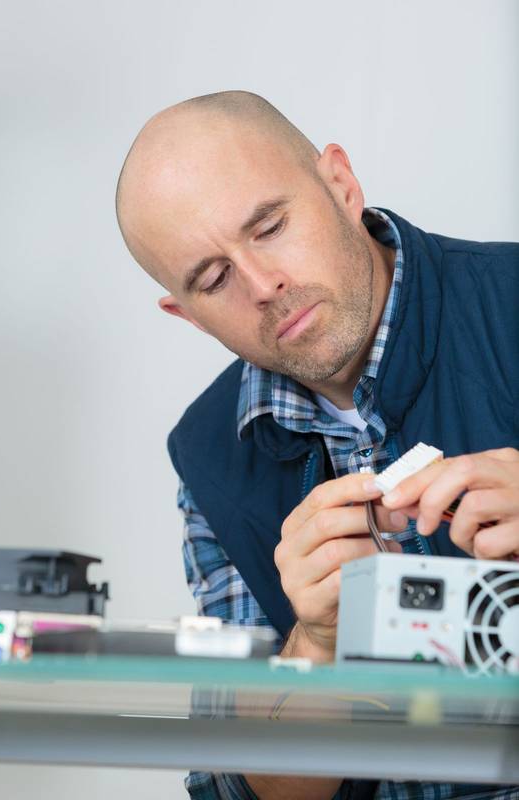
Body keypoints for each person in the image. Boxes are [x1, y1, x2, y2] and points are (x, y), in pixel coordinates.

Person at [115, 90, 519, 800]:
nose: (264, 284)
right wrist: (317, 646)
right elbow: (244, 790)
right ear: (189, 316)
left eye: (270, 227)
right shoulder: (208, 455)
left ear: (341, 183)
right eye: (214, 279)